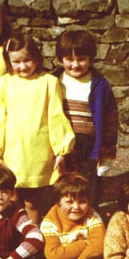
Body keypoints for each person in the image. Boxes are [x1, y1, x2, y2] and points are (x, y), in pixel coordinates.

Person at [0, 30, 75, 224]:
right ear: (8, 62)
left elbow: (56, 116)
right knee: (12, 199)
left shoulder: (48, 82)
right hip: (13, 154)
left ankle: (31, 239)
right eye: (16, 62)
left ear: (36, 58)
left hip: (38, 155)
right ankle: (11, 239)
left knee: (33, 203)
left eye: (27, 60)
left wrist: (61, 150)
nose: (22, 66)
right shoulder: (3, 84)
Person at [54, 29, 118, 211]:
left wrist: (106, 154)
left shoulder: (100, 84)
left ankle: (90, 221)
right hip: (61, 144)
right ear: (61, 58)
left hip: (88, 145)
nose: (75, 65)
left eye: (81, 59)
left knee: (88, 185)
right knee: (60, 184)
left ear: (90, 58)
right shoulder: (53, 80)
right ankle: (61, 221)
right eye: (69, 59)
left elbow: (110, 120)